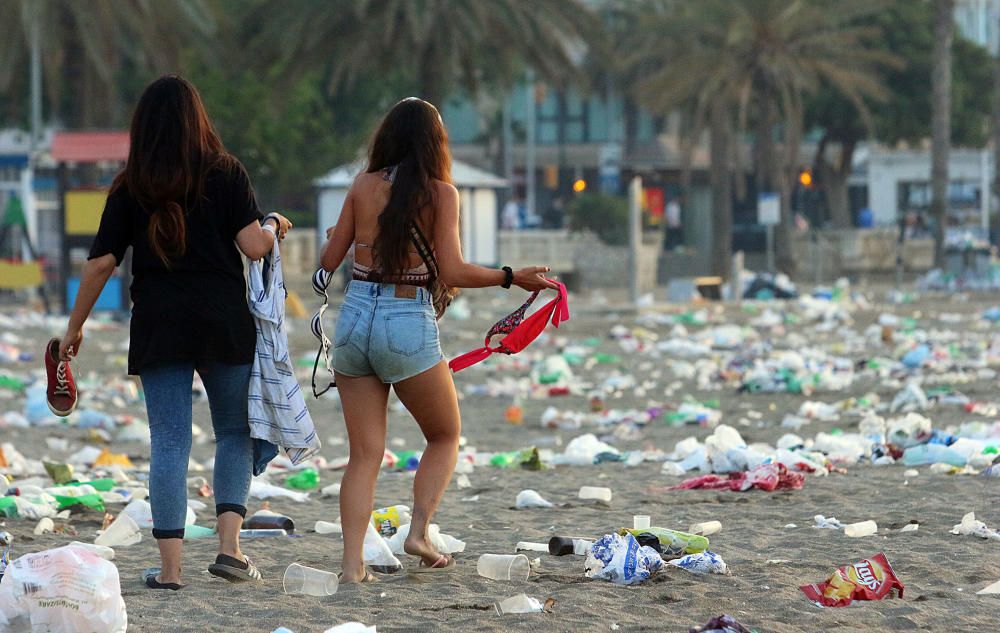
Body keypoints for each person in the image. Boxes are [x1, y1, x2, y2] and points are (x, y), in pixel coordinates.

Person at [57, 75, 293, 590]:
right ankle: (229, 550)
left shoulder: (131, 185)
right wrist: (273, 224)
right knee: (234, 431)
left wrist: (74, 328)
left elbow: (100, 264)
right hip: (222, 320)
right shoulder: (226, 173)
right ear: (198, 121)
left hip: (159, 324)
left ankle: (170, 571)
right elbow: (254, 246)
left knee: (168, 441)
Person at [319, 97, 555, 583]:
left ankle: (351, 567)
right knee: (444, 435)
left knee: (363, 455)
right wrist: (513, 276)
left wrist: (337, 235)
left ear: (387, 137)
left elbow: (327, 261)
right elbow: (453, 271)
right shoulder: (442, 194)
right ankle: (419, 533)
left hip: (355, 317)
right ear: (435, 143)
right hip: (406, 319)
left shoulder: (362, 185)